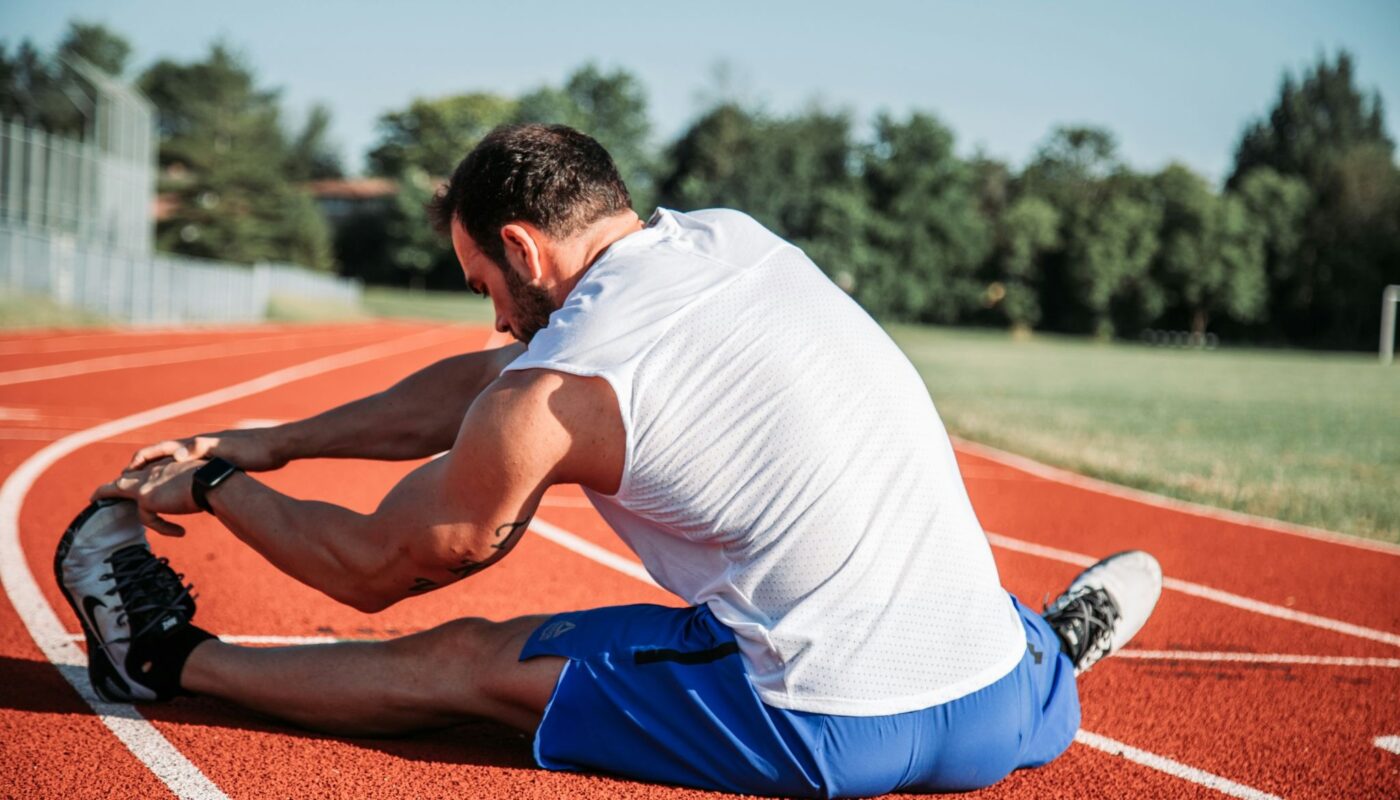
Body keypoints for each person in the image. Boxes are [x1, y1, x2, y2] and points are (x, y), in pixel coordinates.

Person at [57, 124, 1162, 798]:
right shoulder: (729, 239)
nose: (489, 315)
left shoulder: (551, 390)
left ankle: (163, 660)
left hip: (821, 720)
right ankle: (1049, 647)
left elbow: (375, 563)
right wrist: (276, 439)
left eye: (482, 282)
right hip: (993, 712)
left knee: (460, 662)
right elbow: (495, 381)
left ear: (524, 250)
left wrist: (214, 482)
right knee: (921, 567)